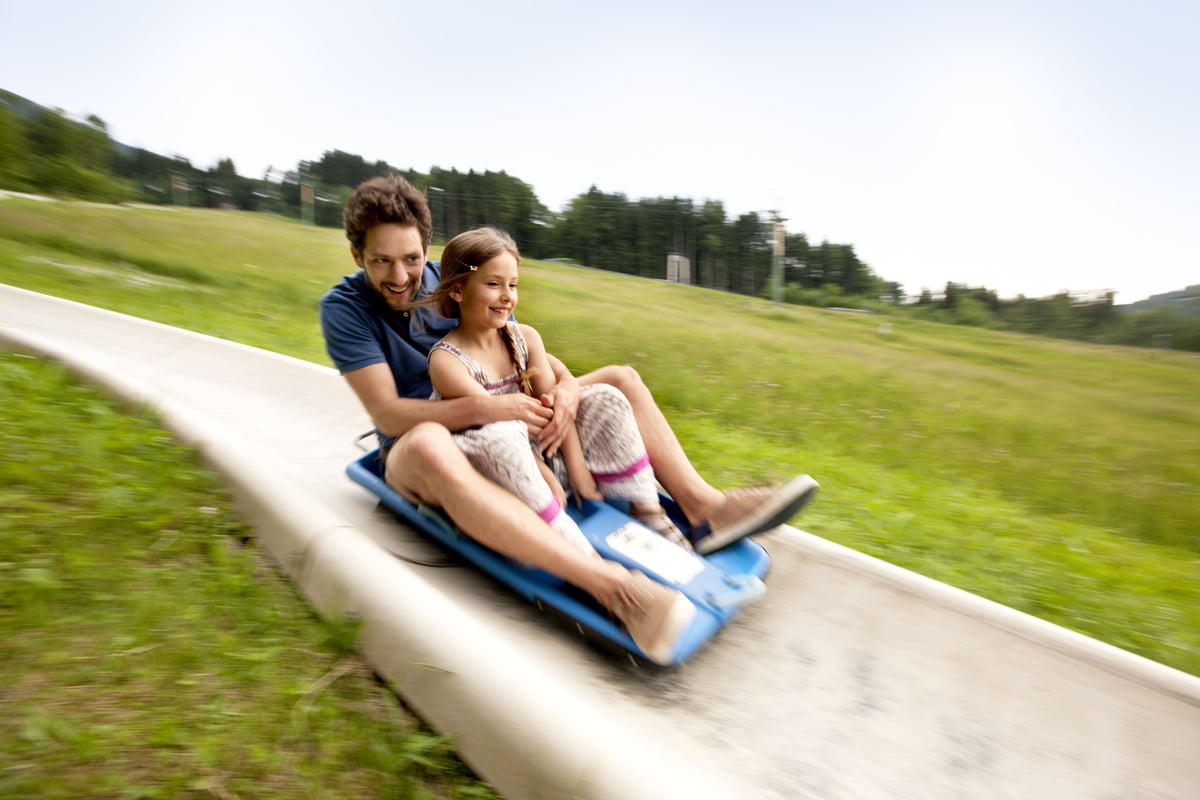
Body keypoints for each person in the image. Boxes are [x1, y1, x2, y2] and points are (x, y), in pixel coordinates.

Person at [319, 175, 817, 664]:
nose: (401, 277)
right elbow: (389, 412)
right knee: (431, 440)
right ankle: (614, 590)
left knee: (619, 378)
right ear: (356, 255)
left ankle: (704, 508)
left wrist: (567, 396)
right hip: (421, 440)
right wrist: (496, 408)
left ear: (427, 249)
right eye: (381, 261)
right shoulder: (345, 309)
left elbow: (530, 357)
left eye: (410, 259)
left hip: (506, 411)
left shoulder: (454, 280)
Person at [422, 225, 693, 553]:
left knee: (606, 396)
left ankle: (646, 509)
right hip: (501, 467)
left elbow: (558, 411)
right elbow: (495, 423)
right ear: (458, 290)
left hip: (547, 453)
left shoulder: (526, 339)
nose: (508, 296)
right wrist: (546, 481)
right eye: (493, 284)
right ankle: (573, 551)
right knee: (501, 437)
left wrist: (577, 471)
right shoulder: (447, 362)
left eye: (513, 284)